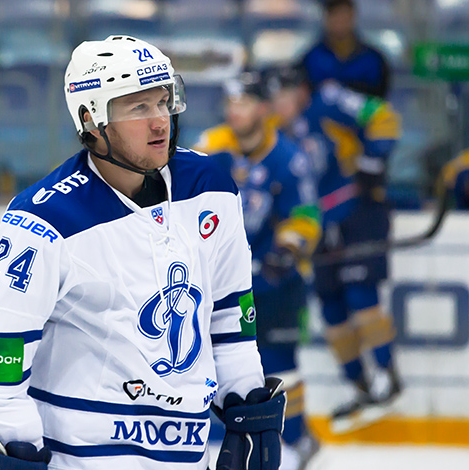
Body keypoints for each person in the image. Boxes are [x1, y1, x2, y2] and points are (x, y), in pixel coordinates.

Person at [0, 35, 286, 470]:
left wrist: (246, 403)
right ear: (91, 120)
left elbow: (229, 315)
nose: (160, 121)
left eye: (163, 101)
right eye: (138, 107)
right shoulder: (44, 221)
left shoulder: (211, 189)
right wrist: (19, 447)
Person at [195, 70, 321, 469]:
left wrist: (289, 246)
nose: (236, 111)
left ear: (264, 108)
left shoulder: (288, 157)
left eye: (245, 103)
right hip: (223, 285)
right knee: (218, 362)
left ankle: (296, 440)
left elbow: (305, 215)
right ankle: (230, 439)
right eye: (231, 103)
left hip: (276, 283)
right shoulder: (210, 148)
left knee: (280, 362)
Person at [271, 64, 402, 434]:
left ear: (300, 89)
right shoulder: (275, 130)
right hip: (318, 225)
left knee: (361, 297)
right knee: (331, 311)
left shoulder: (328, 99)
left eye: (283, 95)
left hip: (357, 212)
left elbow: (382, 115)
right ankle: (362, 387)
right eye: (273, 98)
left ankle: (387, 376)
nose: (278, 104)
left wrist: (373, 159)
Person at [300, 0, 390, 99]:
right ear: (326, 19)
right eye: (335, 15)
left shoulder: (372, 60)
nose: (339, 21)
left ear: (352, 17)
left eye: (344, 15)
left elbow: (380, 98)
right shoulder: (312, 58)